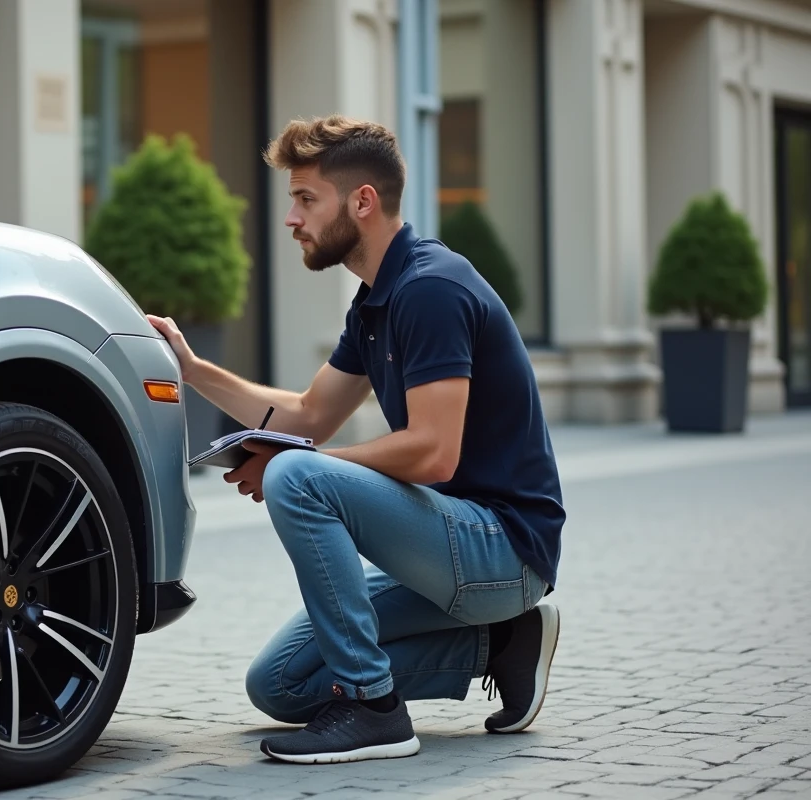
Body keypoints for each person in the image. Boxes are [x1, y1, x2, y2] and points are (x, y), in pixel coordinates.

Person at [147, 115, 565, 765]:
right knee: (278, 685)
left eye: (306, 198)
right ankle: (501, 645)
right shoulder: (375, 303)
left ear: (362, 201)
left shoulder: (430, 290)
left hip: (503, 549)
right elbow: (309, 414)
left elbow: (434, 452)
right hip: (449, 544)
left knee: (296, 474)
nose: (291, 218)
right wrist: (195, 370)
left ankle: (373, 709)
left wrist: (294, 464)